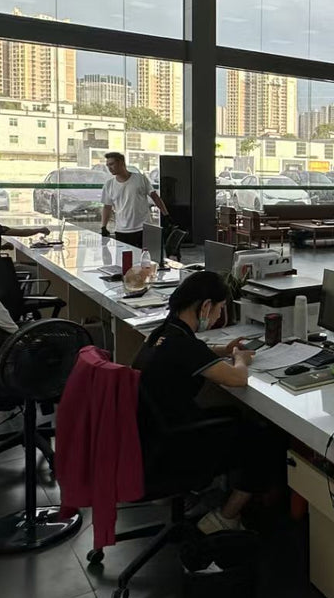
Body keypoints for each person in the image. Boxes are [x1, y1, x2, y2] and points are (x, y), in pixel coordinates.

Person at [134, 271, 285, 533]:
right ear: (205, 306)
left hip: (150, 438)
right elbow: (237, 379)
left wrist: (224, 350)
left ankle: (210, 492)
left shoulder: (162, 333)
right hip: (173, 448)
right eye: (219, 309)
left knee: (233, 414)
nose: (218, 317)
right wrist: (240, 359)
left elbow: (192, 353)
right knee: (264, 439)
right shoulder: (184, 346)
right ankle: (225, 517)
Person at [100, 152, 168, 249]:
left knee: (144, 257)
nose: (109, 168)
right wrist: (103, 226)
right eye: (108, 165)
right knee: (124, 257)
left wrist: (166, 215)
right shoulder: (109, 185)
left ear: (121, 163)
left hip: (143, 228)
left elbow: (155, 197)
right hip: (122, 230)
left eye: (111, 164)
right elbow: (107, 207)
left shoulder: (140, 178)